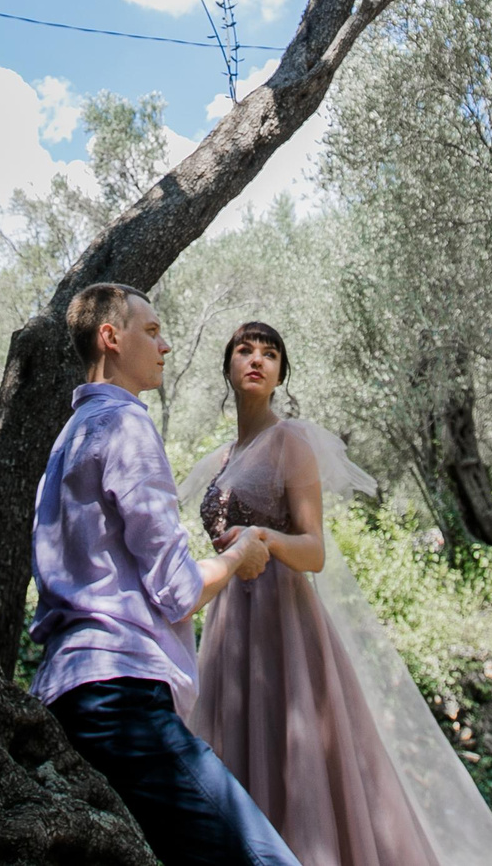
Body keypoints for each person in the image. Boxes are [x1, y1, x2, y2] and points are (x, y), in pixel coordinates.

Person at [182, 321, 492, 866]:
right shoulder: (221, 459)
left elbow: (314, 550)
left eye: (270, 354)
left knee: (299, 767)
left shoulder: (291, 441)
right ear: (226, 366)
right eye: (245, 350)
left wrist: (262, 537)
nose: (256, 360)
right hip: (230, 629)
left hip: (284, 624)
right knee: (238, 759)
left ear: (280, 374)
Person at [30, 283, 302, 866]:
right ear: (111, 337)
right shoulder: (127, 428)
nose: (166, 345)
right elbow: (178, 591)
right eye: (151, 332)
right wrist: (238, 559)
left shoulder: (67, 438)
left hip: (61, 695)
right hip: (121, 696)